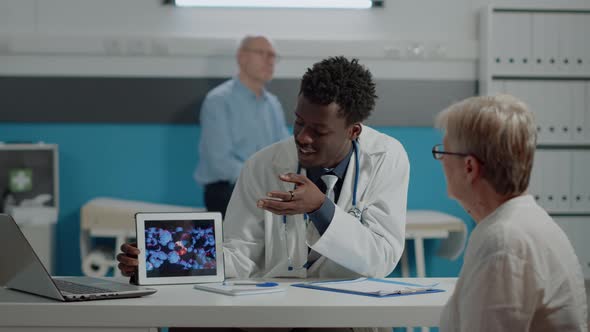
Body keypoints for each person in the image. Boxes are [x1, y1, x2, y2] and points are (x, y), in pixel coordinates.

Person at [118, 56, 410, 332]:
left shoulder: (386, 158)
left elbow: (381, 258)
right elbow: (242, 252)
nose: (302, 137)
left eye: (318, 131)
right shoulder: (263, 164)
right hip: (274, 308)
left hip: (345, 307)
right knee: (192, 326)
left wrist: (321, 209)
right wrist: (163, 263)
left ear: (354, 131)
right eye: (298, 122)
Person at [434, 95, 588, 331]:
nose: (441, 159)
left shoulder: (503, 242)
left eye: (444, 151)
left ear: (469, 168)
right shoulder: (525, 223)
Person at [194, 35, 290, 217]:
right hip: (228, 192)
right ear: (241, 57)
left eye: (273, 56)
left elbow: (284, 152)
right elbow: (219, 163)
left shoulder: (272, 104)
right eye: (262, 53)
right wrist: (263, 180)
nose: (270, 61)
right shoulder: (219, 100)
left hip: (266, 190)